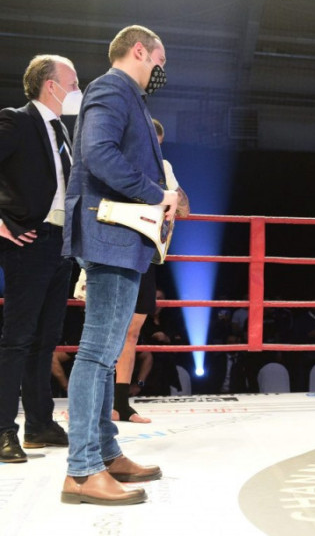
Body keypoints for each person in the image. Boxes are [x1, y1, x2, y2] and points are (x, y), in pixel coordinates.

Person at [61, 25, 178, 505]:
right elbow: (99, 154)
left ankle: (105, 453)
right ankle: (82, 470)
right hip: (109, 234)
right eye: (159, 62)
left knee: (106, 353)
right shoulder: (111, 88)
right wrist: (157, 194)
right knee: (97, 352)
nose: (161, 71)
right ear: (139, 51)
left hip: (121, 236)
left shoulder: (128, 96)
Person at [0, 55, 79, 462]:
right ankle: (2, 430)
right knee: (17, 339)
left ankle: (39, 423)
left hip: (60, 244)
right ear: (51, 85)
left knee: (45, 340)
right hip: (28, 241)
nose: (77, 90)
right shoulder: (16, 120)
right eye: (73, 82)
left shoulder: (62, 130)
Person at [113, 118, 190, 423]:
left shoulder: (163, 167)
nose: (154, 151)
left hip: (145, 254)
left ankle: (121, 404)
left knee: (131, 333)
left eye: (158, 147)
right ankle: (99, 402)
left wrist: (170, 188)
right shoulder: (117, 162)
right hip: (114, 251)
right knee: (107, 332)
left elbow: (184, 209)